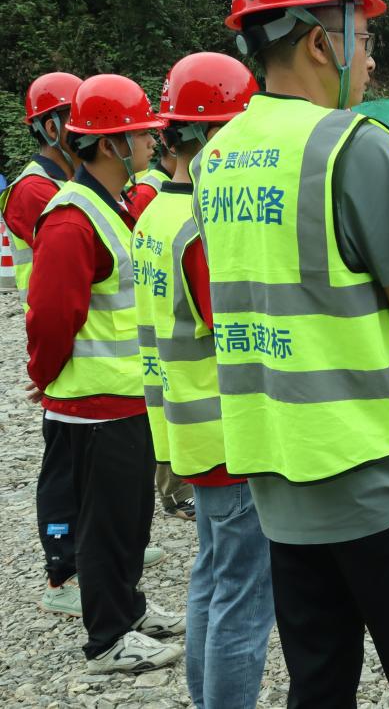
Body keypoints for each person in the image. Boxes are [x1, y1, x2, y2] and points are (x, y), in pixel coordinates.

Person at [198, 0, 389, 706]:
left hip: (284, 490)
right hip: (380, 480)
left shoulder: (218, 157)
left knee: (319, 687)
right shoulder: (353, 145)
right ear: (323, 41)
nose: (371, 58)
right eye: (366, 35)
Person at [26, 73, 185, 673]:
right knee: (105, 524)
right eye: (140, 133)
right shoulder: (72, 219)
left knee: (128, 519)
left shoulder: (108, 206)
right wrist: (45, 378)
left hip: (124, 398)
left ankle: (129, 609)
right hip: (93, 405)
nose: (150, 141)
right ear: (112, 143)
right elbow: (50, 318)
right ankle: (108, 639)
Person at [133, 52, 274, 706]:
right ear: (217, 134)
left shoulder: (155, 215)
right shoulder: (203, 227)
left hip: (189, 427)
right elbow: (235, 331)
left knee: (213, 576)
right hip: (228, 433)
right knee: (245, 599)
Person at [3, 72, 84, 615]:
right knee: (64, 463)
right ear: (50, 127)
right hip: (59, 338)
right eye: (74, 118)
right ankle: (62, 571)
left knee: (89, 461)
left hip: (80, 339)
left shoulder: (67, 180)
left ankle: (94, 552)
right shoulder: (36, 190)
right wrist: (44, 367)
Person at [126, 79, 196, 522]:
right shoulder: (187, 214)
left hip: (164, 372)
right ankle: (173, 493)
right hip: (200, 397)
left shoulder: (152, 208)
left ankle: (172, 491)